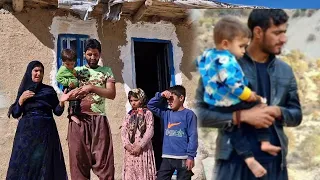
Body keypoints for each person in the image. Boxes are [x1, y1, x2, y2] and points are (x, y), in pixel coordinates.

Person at [195, 9, 302, 180]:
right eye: (277, 33)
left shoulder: (285, 71)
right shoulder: (221, 66)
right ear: (258, 32)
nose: (284, 39)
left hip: (275, 166)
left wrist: (277, 111)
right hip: (233, 166)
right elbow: (199, 114)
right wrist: (240, 116)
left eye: (284, 32)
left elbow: (296, 115)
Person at [64, 39, 116, 180]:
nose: (93, 57)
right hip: (79, 120)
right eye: (89, 54)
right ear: (84, 54)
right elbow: (66, 89)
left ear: (100, 55)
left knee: (104, 162)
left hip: (99, 119)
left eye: (95, 54)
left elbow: (111, 94)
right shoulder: (77, 71)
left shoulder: (107, 71)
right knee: (78, 161)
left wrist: (91, 88)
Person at [6, 60, 68, 180]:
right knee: (26, 164)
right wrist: (21, 100)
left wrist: (62, 101)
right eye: (36, 71)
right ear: (30, 72)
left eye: (41, 71)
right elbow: (16, 113)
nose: (38, 74)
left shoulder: (49, 91)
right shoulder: (24, 91)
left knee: (45, 165)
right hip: (27, 136)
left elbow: (57, 112)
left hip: (46, 135)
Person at [147, 85, 198, 180]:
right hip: (168, 156)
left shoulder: (189, 114)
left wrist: (191, 156)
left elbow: (193, 136)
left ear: (181, 98)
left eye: (171, 99)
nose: (168, 101)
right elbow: (150, 105)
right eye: (168, 99)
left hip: (183, 157)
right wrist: (160, 95)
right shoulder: (166, 113)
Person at [121, 88, 156, 180]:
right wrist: (127, 145)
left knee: (143, 173)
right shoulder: (128, 115)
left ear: (141, 99)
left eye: (135, 100)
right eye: (131, 100)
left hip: (142, 149)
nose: (133, 103)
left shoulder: (147, 113)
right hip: (130, 150)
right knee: (131, 173)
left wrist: (140, 145)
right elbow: (124, 130)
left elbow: (150, 130)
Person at [56, 48, 81, 124]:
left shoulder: (72, 69)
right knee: (74, 100)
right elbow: (58, 78)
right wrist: (68, 82)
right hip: (68, 87)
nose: (70, 66)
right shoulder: (62, 69)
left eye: (72, 64)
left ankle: (76, 112)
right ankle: (72, 114)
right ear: (63, 62)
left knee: (78, 99)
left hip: (74, 86)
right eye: (67, 64)